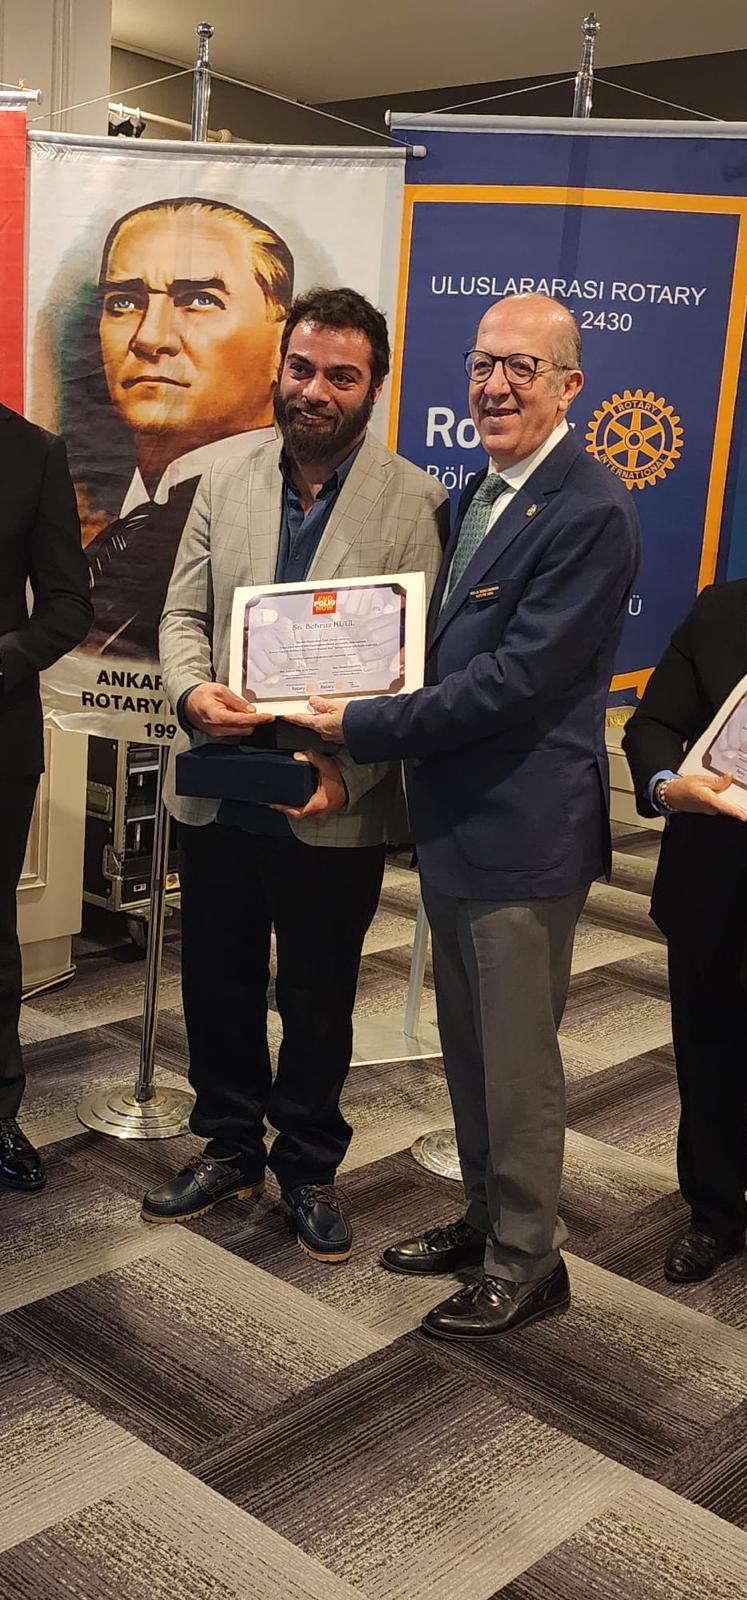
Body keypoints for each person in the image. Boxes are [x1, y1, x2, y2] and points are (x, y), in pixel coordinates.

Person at [288, 292, 640, 1334]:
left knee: (518, 1062)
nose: (494, 385)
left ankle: (529, 1260)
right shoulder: (478, 495)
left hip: (522, 835)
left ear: (570, 386)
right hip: (456, 827)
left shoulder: (589, 510)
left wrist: (363, 722)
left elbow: (515, 683)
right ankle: (486, 1218)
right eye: (483, 364)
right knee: (473, 1048)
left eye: (521, 368)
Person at [141, 287, 448, 1261]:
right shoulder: (223, 478)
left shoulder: (419, 502)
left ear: (374, 387)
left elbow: (419, 671)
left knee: (317, 994)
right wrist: (192, 692)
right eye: (302, 369)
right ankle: (229, 1143)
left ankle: (307, 1163)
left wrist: (354, 772)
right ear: (280, 370)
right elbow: (182, 614)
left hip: (332, 791)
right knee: (217, 977)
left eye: (340, 376)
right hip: (226, 775)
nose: (315, 390)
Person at [81, 197, 294, 659]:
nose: (149, 338)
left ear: (284, 342)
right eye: (124, 302)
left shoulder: (288, 524)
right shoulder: (104, 526)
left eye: (200, 300)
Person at [623, 579, 747, 1282]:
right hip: (713, 878)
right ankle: (714, 1212)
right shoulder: (721, 610)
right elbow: (651, 724)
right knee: (708, 1053)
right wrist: (667, 785)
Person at [0, 403, 93, 1192]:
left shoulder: (33, 452)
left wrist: (6, 657)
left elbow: (69, 603)